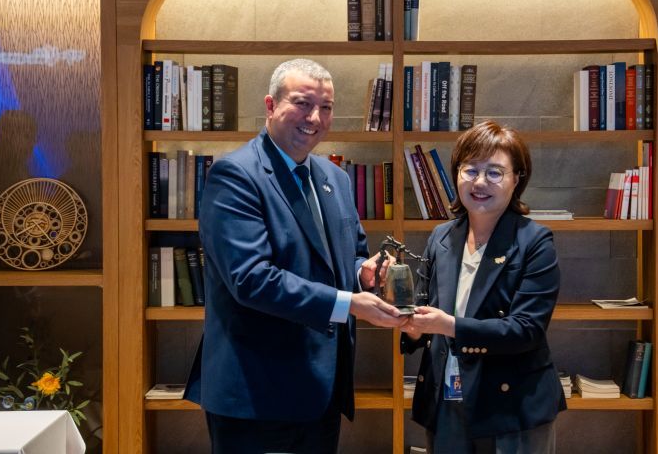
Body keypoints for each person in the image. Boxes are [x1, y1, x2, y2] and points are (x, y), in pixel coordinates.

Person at [185, 58, 407, 453]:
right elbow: (251, 279)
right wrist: (348, 303)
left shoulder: (334, 177)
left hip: (322, 391)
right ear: (271, 105)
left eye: (326, 107)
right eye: (302, 103)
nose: (315, 118)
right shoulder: (235, 175)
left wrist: (363, 274)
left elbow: (349, 256)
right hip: (258, 394)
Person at [400, 120, 566, 454]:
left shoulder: (535, 241)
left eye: (494, 172)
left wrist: (448, 325)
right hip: (447, 400)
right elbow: (423, 309)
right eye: (470, 170)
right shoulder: (441, 237)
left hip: (511, 406)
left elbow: (526, 329)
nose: (479, 182)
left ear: (516, 179)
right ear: (456, 174)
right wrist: (410, 324)